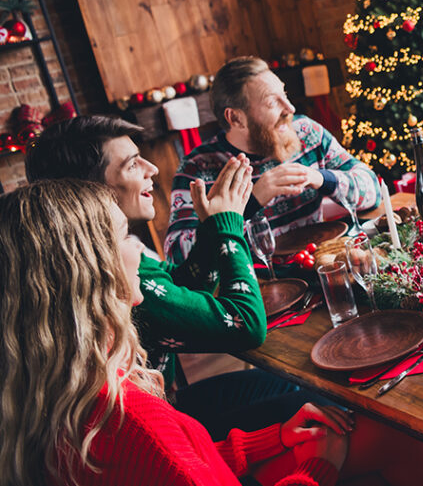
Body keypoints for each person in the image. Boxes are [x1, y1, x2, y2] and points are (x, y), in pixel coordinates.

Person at [0, 179, 423, 486]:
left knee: (379, 433)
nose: (139, 251)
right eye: (126, 236)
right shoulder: (129, 419)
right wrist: (316, 467)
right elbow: (245, 325)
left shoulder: (57, 393)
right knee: (392, 435)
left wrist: (274, 439)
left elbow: (185, 465)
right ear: (89, 271)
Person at [26, 116, 266, 390]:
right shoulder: (114, 275)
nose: (152, 168)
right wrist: (228, 226)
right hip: (170, 414)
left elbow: (183, 287)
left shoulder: (95, 256)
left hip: (171, 405)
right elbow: (247, 326)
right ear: (90, 192)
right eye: (132, 164)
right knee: (293, 391)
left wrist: (213, 227)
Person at [166, 56, 380, 264]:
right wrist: (251, 201)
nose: (290, 108)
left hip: (319, 263)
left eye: (284, 94)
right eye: (271, 102)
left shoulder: (306, 132)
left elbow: (373, 190)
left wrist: (321, 178)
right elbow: (177, 257)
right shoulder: (197, 168)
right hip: (254, 281)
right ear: (235, 118)